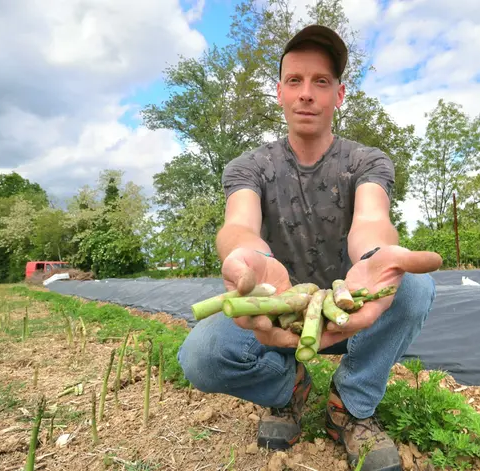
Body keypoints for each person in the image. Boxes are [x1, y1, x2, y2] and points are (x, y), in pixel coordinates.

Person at [177, 24, 442, 471]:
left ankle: (350, 406)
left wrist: (375, 256)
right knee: (202, 357)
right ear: (279, 92)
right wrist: (248, 256)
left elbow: (371, 220)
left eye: (321, 81)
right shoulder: (249, 167)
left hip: (347, 311)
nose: (306, 93)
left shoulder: (366, 161)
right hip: (278, 312)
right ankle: (289, 388)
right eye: (295, 80)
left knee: (413, 285)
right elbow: (239, 224)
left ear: (339, 94)